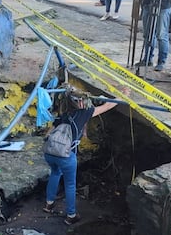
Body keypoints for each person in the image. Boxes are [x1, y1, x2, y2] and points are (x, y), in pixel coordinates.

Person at [43, 87, 127, 225]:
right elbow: (107, 106)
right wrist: (122, 95)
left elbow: (49, 133)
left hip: (50, 153)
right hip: (66, 155)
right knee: (70, 184)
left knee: (55, 173)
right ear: (81, 103)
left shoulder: (63, 114)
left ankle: (49, 204)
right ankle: (71, 215)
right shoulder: (84, 113)